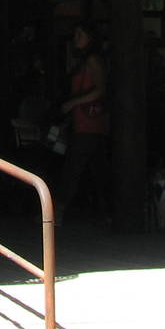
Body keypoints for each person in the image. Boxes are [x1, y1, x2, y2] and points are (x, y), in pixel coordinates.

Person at [56, 21, 110, 222]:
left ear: (90, 38)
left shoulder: (93, 60)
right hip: (84, 121)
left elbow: (100, 90)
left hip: (90, 122)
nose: (75, 38)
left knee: (74, 168)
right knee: (97, 170)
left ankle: (57, 212)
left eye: (80, 34)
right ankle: (106, 213)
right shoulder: (83, 60)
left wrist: (72, 103)